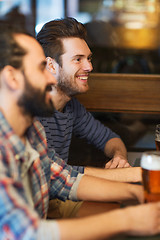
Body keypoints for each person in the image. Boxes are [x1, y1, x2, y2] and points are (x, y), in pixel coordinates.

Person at [1, 24, 160, 240]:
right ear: (12, 78)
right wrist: (128, 219)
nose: (50, 78)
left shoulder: (31, 130)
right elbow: (27, 233)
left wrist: (137, 192)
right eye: (41, 68)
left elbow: (63, 179)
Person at [36, 17, 130, 171]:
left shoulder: (71, 106)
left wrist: (119, 156)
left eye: (89, 58)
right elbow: (54, 176)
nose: (89, 67)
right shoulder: (32, 111)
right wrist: (129, 175)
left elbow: (110, 139)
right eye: (78, 59)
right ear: (51, 65)